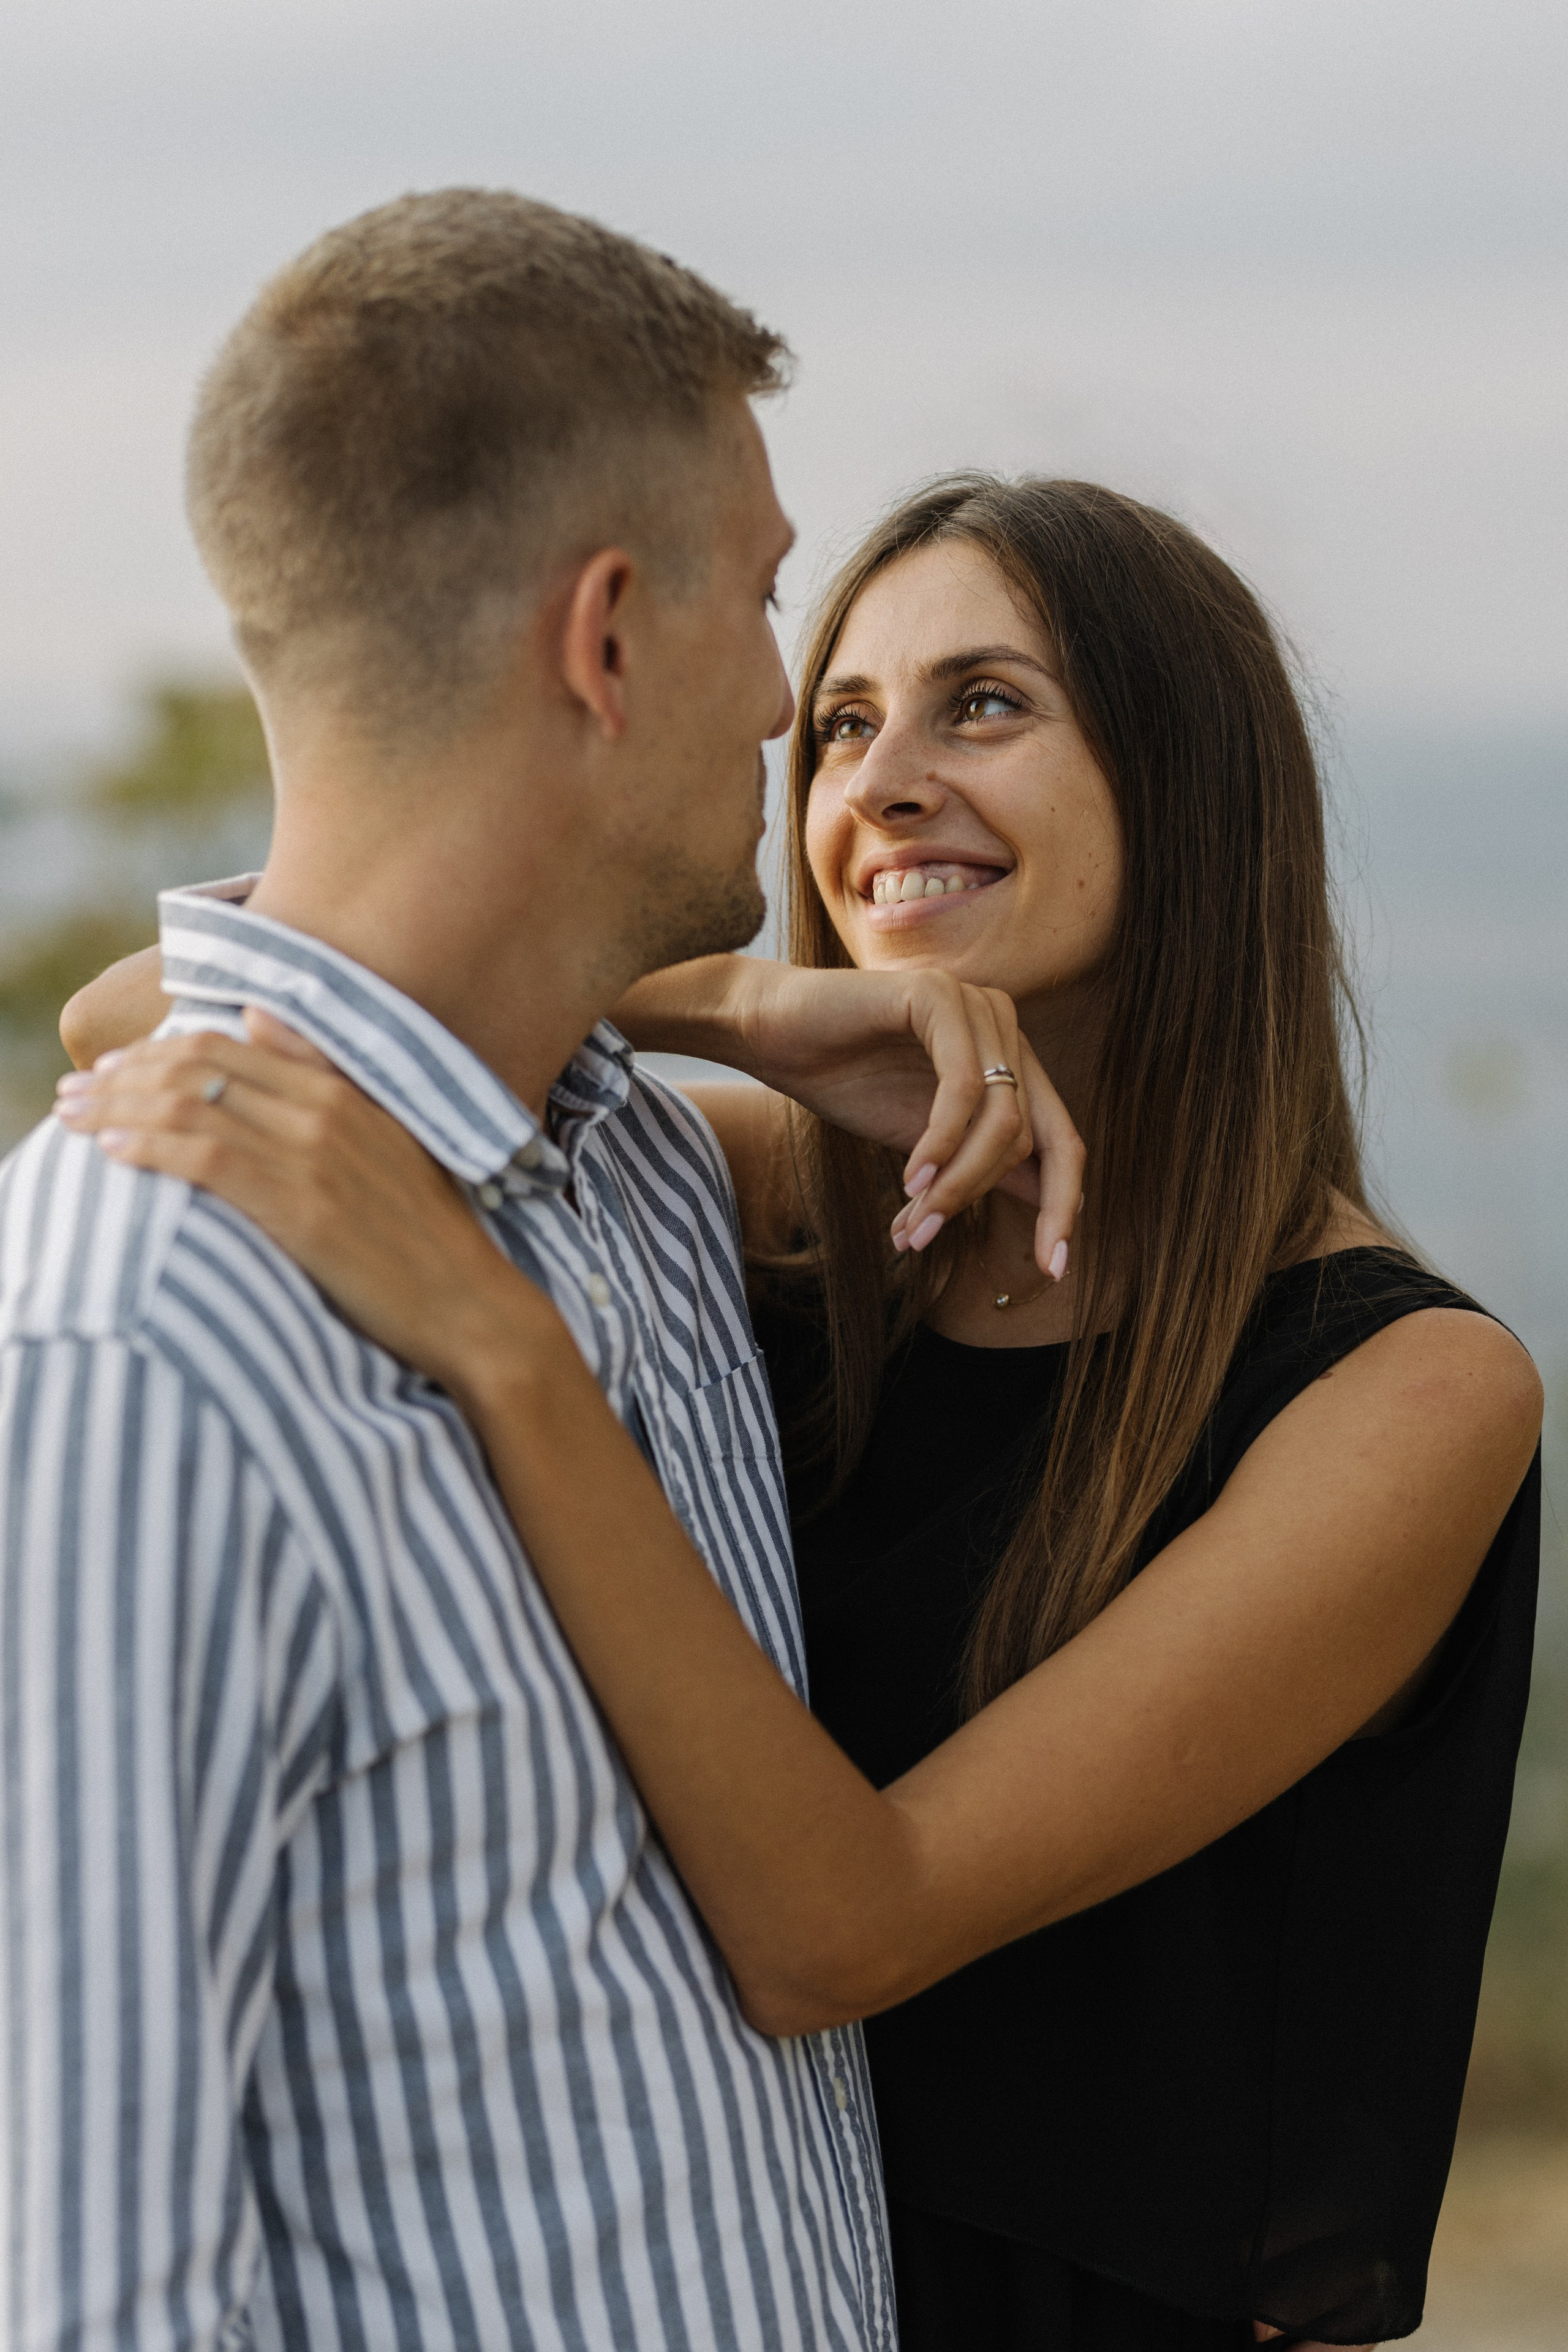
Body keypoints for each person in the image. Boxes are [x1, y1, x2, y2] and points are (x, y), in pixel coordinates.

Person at [58, 480, 1542, 2352]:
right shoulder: (769, 1192)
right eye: (842, 724)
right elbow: (146, 1027)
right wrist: (734, 1008)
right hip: (685, 2274)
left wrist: (505, 1352)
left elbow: (846, 1928)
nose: (885, 782)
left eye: (982, 706)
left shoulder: (1404, 1388)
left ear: (1191, 782)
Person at [2, 192, 1099, 2352]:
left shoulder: (645, 1186)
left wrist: (751, 1010)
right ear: (606, 639)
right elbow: (89, 2291)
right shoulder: (133, 1347)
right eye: (767, 602)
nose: (784, 703)